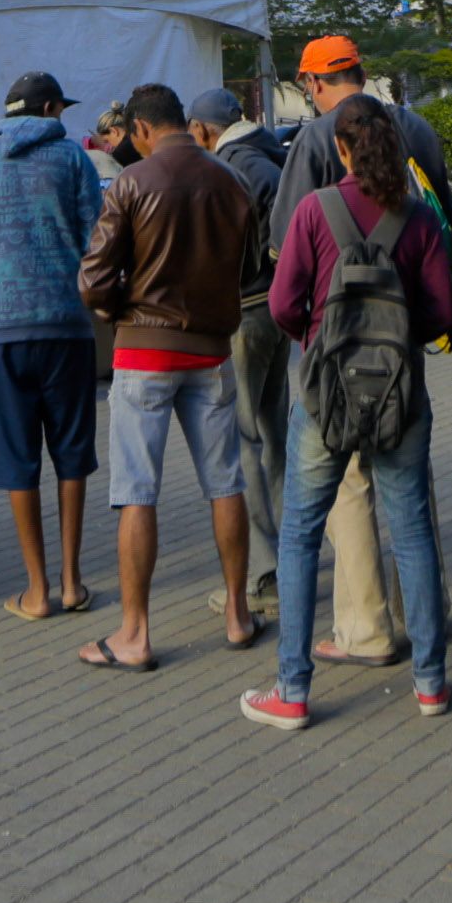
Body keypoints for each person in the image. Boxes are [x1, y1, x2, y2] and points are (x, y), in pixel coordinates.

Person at [240, 96, 452, 730]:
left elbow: (282, 304)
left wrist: (317, 335)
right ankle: (431, 684)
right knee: (411, 530)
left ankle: (292, 688)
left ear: (339, 148)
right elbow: (442, 313)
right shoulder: (415, 220)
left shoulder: (315, 211)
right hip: (401, 394)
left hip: (325, 393)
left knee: (303, 532)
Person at [75, 82, 258, 669]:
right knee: (225, 482)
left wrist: (117, 308)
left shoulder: (132, 182)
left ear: (141, 130)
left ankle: (135, 634)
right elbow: (250, 267)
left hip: (144, 354)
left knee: (137, 493)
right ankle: (237, 613)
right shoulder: (230, 180)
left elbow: (93, 280)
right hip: (211, 351)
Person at [0, 70, 103, 620]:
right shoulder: (72, 161)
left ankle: (36, 590)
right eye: (60, 108)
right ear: (46, 108)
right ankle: (71, 581)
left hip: (2, 332)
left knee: (18, 458)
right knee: (71, 453)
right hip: (66, 327)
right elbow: (97, 239)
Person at [197, 87, 288, 615]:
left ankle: (263, 568)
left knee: (246, 440)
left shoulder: (232, 168)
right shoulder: (271, 153)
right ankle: (291, 547)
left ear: (205, 130)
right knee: (275, 432)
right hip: (277, 308)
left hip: (246, 309)